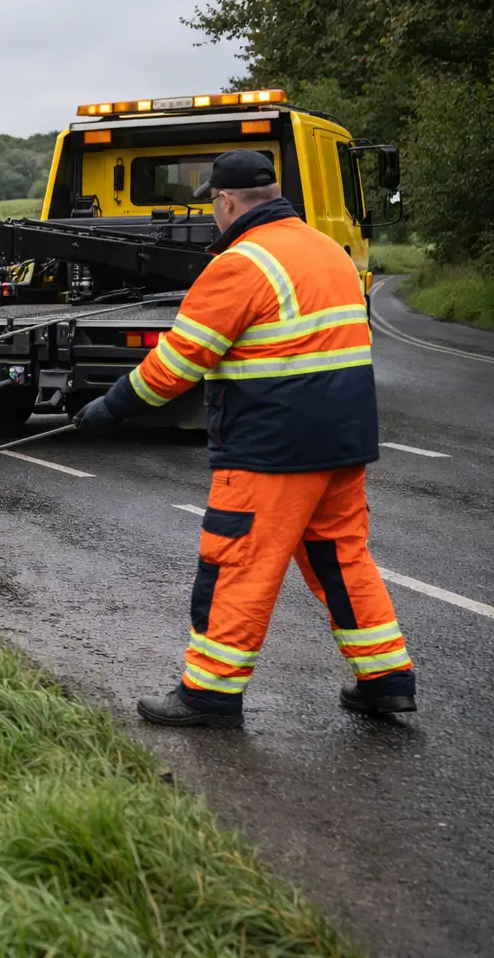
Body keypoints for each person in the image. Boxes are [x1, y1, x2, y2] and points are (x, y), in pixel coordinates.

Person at [74, 149, 415, 729]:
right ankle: (386, 679)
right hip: (344, 441)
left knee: (237, 564)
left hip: (271, 449)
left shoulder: (240, 264)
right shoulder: (327, 251)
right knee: (341, 558)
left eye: (213, 206)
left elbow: (179, 364)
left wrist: (110, 408)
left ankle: (208, 695)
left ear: (226, 202)